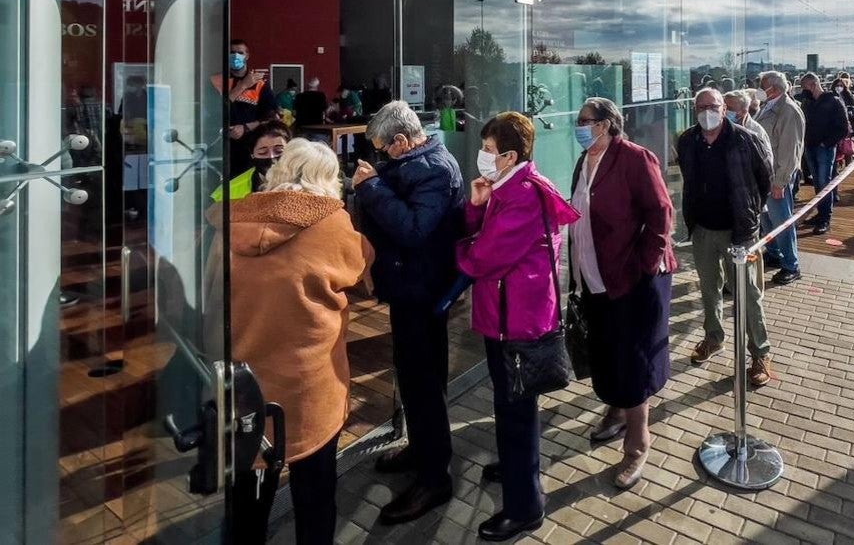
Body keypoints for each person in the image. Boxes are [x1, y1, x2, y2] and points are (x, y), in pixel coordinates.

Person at [211, 139, 374, 545]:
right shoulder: (331, 221)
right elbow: (361, 264)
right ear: (328, 178)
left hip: (245, 379)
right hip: (309, 380)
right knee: (315, 490)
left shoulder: (231, 220)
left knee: (249, 491)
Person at [455, 112, 579, 541]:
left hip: (518, 321)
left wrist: (457, 256)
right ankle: (513, 467)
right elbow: (484, 235)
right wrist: (475, 208)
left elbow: (485, 256)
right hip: (506, 314)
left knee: (516, 409)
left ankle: (525, 506)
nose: (483, 156)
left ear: (509, 155)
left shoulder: (523, 194)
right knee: (510, 404)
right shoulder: (507, 187)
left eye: (489, 150)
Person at [354, 101, 465, 524]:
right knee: (415, 378)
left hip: (423, 293)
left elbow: (414, 229)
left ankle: (435, 478)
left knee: (423, 382)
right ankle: (421, 448)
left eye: (385, 149)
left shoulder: (436, 168)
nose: (382, 156)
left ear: (402, 140)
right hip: (410, 290)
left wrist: (372, 188)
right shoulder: (420, 162)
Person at [569, 98, 676, 490]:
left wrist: (645, 264)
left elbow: (661, 213)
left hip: (632, 281)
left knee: (634, 362)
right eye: (578, 121)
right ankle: (615, 414)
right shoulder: (584, 162)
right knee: (607, 352)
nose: (580, 127)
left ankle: (637, 445)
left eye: (586, 121)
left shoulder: (634, 157)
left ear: (607, 124)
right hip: (595, 280)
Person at [677, 89, 775, 387]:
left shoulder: (745, 139)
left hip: (739, 232)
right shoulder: (687, 140)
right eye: (701, 106)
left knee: (747, 294)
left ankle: (760, 353)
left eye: (713, 106)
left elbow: (765, 179)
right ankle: (713, 337)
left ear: (724, 108)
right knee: (709, 288)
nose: (707, 111)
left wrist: (750, 216)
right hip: (703, 229)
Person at [755, 71, 806, 285]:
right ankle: (774, 253)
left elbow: (789, 150)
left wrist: (780, 181)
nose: (758, 87)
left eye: (762, 84)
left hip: (777, 176)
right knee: (767, 218)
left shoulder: (788, 111)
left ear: (774, 88)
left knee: (781, 221)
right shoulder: (769, 106)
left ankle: (791, 265)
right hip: (765, 176)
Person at [798, 72, 850, 235]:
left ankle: (825, 218)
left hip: (824, 148)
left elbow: (843, 127)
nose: (803, 90)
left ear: (813, 85)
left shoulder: (833, 101)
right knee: (818, 182)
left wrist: (827, 143)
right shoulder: (807, 102)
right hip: (810, 146)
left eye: (804, 87)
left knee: (824, 183)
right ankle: (821, 213)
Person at [217, 39, 278, 176]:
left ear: (247, 56)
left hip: (251, 146)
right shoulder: (218, 81)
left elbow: (270, 117)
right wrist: (242, 86)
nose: (236, 56)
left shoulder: (260, 84)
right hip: (222, 146)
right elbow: (217, 109)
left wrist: (245, 127)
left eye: (240, 52)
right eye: (232, 53)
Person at [212, 120, 291, 202]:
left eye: (279, 151)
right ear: (252, 155)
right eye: (263, 152)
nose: (271, 157)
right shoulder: (226, 192)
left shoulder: (303, 183)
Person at [725, 90, 774, 169]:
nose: (725, 111)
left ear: (744, 111)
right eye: (724, 107)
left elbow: (766, 163)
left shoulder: (755, 132)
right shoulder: (720, 127)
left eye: (729, 109)